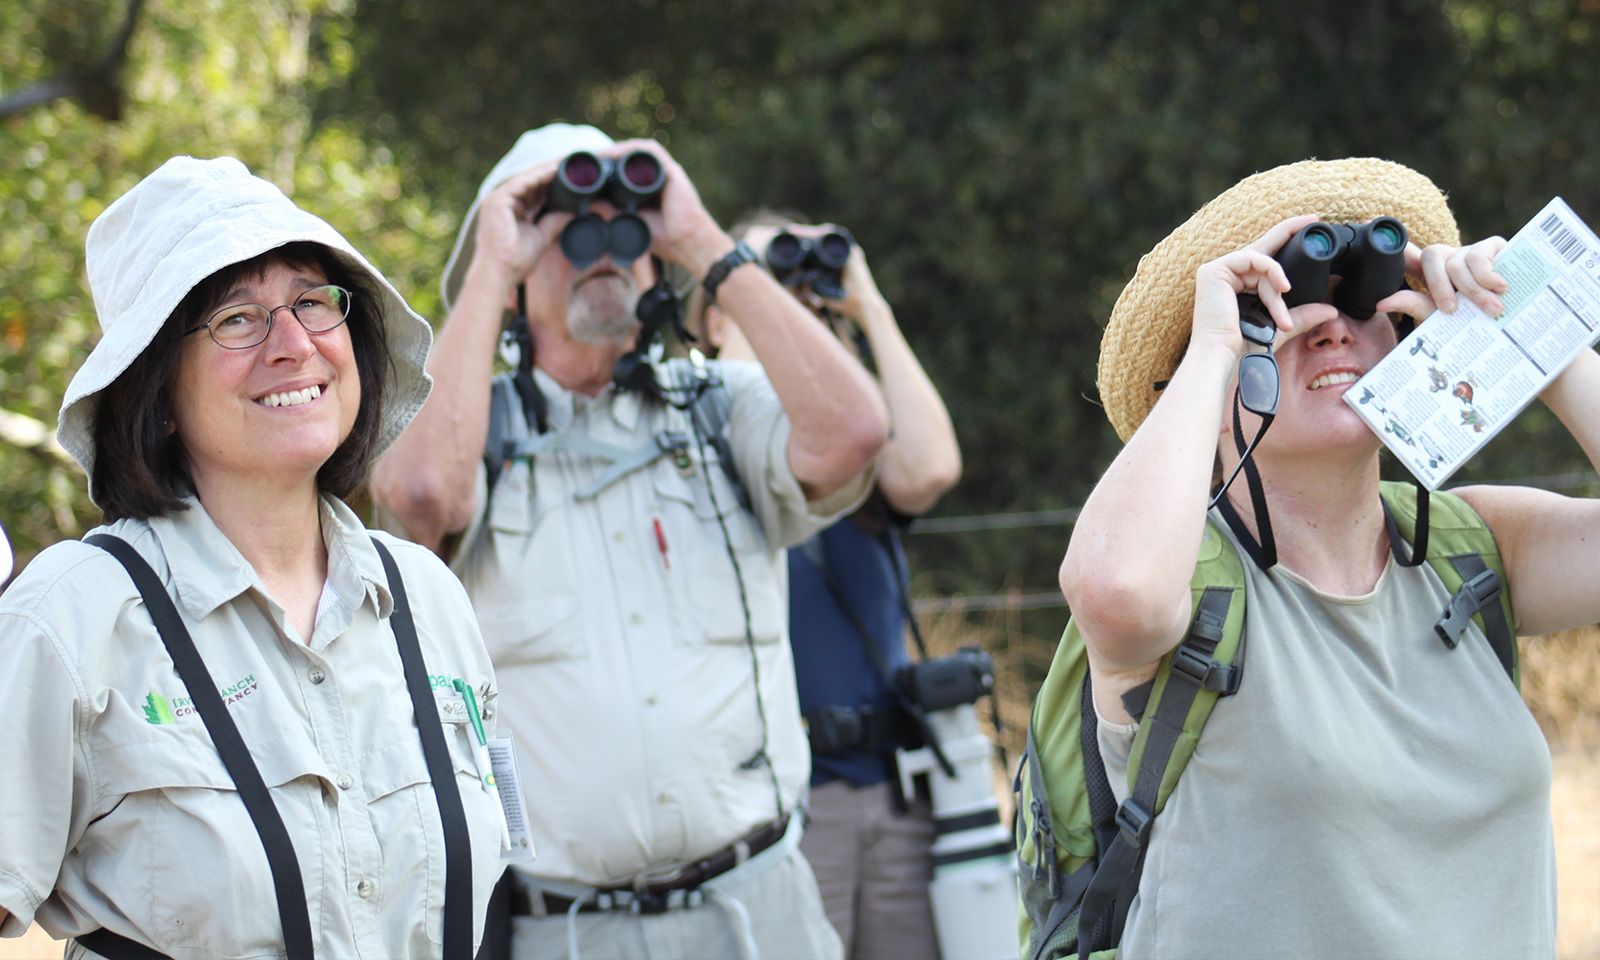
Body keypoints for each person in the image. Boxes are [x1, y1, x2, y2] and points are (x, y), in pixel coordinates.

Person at [1052, 157, 1600, 956]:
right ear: (1198, 391)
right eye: (1278, 307)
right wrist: (1214, 342)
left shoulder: (1472, 551)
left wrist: (1519, 325)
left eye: (1357, 295)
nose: (1328, 323)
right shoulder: (1190, 588)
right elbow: (1113, 592)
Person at [371, 125, 889, 959]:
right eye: (569, 234)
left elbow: (857, 433)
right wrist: (494, 264)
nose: (600, 251)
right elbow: (424, 496)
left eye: (625, 230)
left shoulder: (721, 409)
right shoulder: (474, 442)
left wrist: (700, 241)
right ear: (508, 282)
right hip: (566, 929)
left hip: (760, 911)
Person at [0, 156, 509, 959]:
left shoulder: (426, 596)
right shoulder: (73, 615)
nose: (293, 343)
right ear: (156, 394)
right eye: (237, 318)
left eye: (311, 302)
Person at [697, 214, 961, 959]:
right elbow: (740, 399)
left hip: (890, 787)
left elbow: (930, 468)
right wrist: (757, 299)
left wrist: (865, 307)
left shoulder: (854, 441)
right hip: (777, 801)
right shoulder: (697, 430)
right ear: (718, 314)